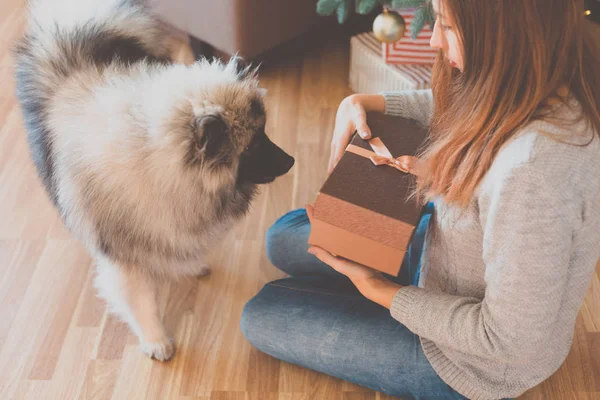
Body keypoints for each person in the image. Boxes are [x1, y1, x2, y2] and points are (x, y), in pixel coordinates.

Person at [240, 0, 600, 398]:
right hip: (444, 255)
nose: (433, 40)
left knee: (260, 314)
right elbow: (464, 105)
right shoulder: (536, 71)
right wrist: (368, 102)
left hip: (471, 361)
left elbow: (507, 342)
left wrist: (376, 289)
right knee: (281, 238)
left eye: (445, 26)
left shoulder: (535, 174)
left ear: (503, 36)